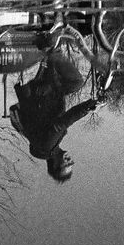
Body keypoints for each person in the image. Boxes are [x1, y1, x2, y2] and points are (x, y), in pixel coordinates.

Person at [9, 31, 99, 182]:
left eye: (67, 164)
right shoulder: (46, 147)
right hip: (41, 98)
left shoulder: (47, 145)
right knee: (72, 82)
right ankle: (49, 46)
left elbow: (64, 121)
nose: (70, 160)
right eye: (72, 163)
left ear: (56, 164)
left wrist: (89, 106)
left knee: (75, 82)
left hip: (40, 96)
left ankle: (51, 47)